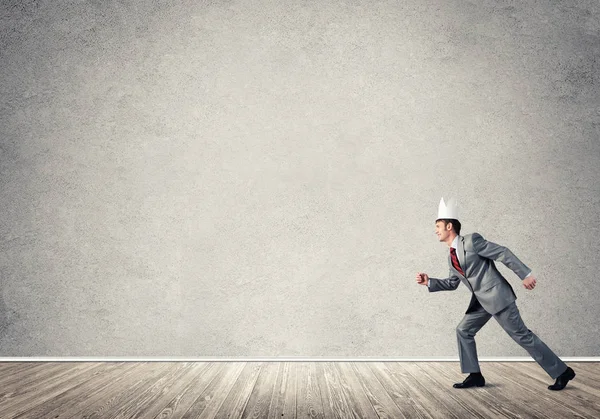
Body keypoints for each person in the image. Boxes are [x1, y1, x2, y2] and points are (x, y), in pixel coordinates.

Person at [416, 197, 575, 391]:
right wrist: (429, 282)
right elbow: (452, 283)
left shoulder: (472, 241)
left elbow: (502, 253)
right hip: (481, 302)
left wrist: (525, 274)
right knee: (463, 331)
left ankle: (562, 372)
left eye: (438, 225)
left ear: (450, 226)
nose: (436, 230)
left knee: (522, 335)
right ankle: (475, 375)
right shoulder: (451, 258)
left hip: (498, 297)